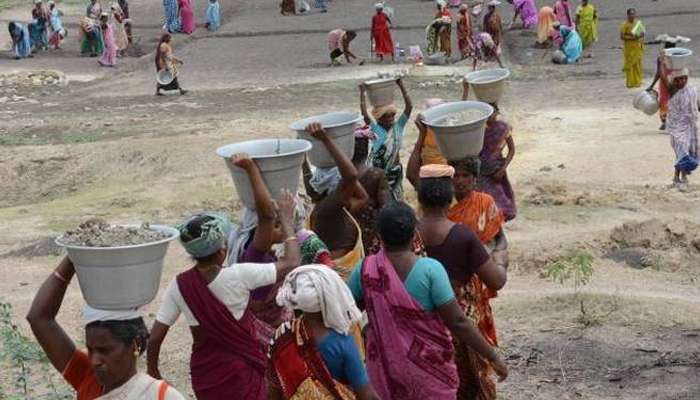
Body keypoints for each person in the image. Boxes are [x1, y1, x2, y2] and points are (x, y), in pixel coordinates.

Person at [347, 202, 508, 399]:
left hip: (384, 370)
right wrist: (492, 356)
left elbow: (349, 310)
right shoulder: (431, 270)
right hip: (430, 370)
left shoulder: (365, 270)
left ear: (379, 236)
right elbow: (457, 322)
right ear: (414, 234)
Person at [147, 209, 301, 400]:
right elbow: (292, 262)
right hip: (241, 370)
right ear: (222, 251)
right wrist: (287, 223)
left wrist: (153, 373)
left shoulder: (179, 286)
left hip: (206, 375)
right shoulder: (240, 275)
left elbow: (154, 339)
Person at [26, 256, 186, 400]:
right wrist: (74, 256)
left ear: (136, 345)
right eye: (90, 349)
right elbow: (39, 318)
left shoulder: (160, 396)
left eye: (105, 350)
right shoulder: (88, 379)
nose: (94, 361)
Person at [416, 164, 509, 399]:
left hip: (421, 331)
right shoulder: (461, 236)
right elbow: (496, 281)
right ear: (449, 196)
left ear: (420, 197)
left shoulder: (408, 235)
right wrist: (500, 259)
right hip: (462, 332)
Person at [269, 265, 380, 399]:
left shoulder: (282, 336)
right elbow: (366, 394)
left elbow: (274, 389)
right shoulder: (343, 342)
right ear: (330, 298)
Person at [303, 123, 369, 277]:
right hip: (342, 283)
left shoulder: (338, 209)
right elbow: (351, 176)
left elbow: (363, 197)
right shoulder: (328, 210)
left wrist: (303, 159)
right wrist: (326, 139)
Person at [360, 78, 412, 201]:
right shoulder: (376, 131)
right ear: (379, 119)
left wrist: (401, 85)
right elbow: (364, 114)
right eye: (387, 116)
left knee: (398, 200)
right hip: (381, 174)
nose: (391, 118)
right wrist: (362, 93)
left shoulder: (398, 128)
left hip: (396, 172)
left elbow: (409, 107)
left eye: (392, 115)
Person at [479, 104, 517, 221]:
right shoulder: (478, 129)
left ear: (497, 113)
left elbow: (512, 150)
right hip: (481, 170)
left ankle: (497, 224)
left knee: (500, 201)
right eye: (488, 114)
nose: (490, 116)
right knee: (483, 201)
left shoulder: (503, 128)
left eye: (493, 113)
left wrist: (502, 169)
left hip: (496, 170)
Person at [666, 69, 699, 191]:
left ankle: (677, 178)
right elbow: (664, 78)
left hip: (690, 126)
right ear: (674, 81)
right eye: (678, 79)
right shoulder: (673, 90)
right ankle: (682, 179)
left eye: (684, 78)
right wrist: (666, 61)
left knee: (682, 152)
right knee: (682, 151)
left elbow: (697, 104)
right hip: (677, 126)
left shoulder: (692, 90)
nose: (682, 81)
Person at [647, 39, 677, 131]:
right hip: (674, 80)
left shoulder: (661, 58)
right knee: (674, 100)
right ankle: (670, 121)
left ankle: (665, 121)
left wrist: (652, 85)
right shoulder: (677, 56)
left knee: (664, 101)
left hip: (664, 82)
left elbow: (658, 73)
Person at [620, 8, 645, 88]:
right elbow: (622, 36)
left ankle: (638, 82)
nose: (632, 16)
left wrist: (639, 36)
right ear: (627, 15)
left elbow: (642, 33)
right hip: (629, 48)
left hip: (637, 47)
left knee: (637, 65)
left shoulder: (638, 24)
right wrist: (631, 38)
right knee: (630, 66)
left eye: (633, 14)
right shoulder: (624, 25)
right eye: (630, 14)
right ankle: (630, 83)